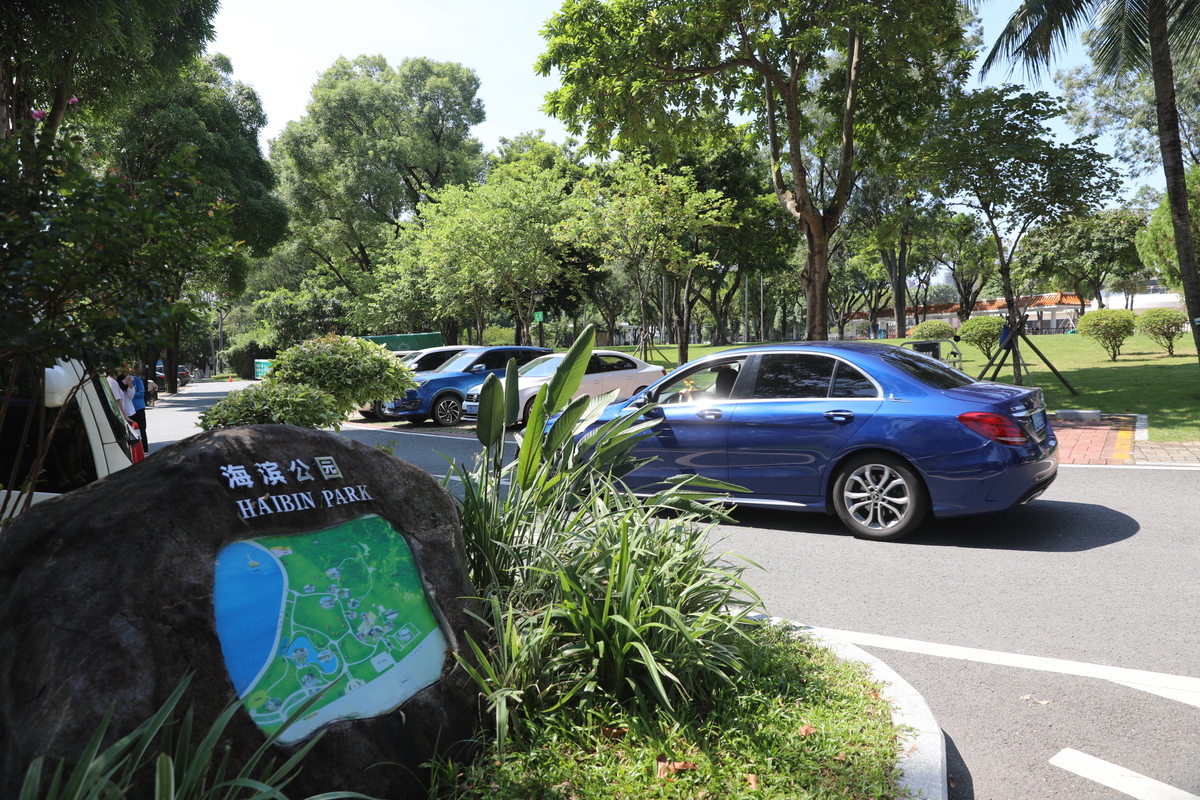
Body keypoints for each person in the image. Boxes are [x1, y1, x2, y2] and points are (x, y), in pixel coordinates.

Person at [128, 368, 148, 454]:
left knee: (141, 429)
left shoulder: (137, 380)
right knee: (130, 431)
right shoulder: (121, 382)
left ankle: (145, 450)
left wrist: (131, 392)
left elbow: (141, 393)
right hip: (128, 409)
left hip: (138, 408)